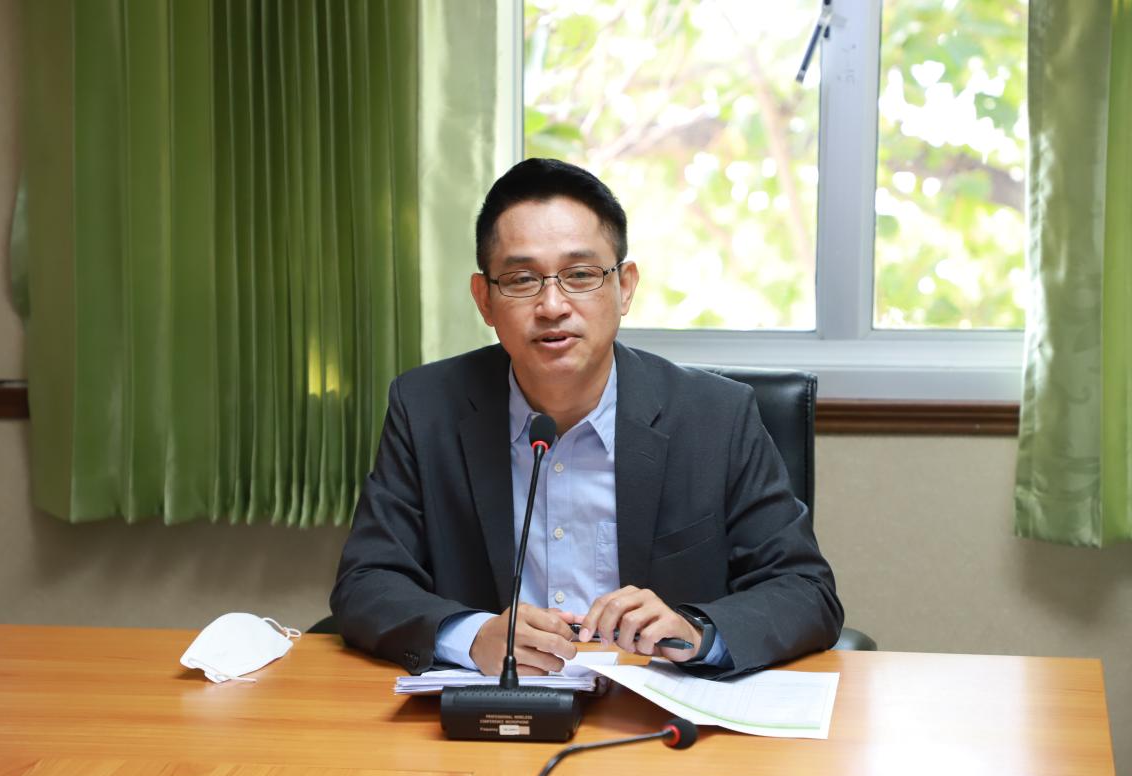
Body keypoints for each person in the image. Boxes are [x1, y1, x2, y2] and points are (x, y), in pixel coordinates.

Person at [330, 158, 842, 679]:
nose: (552, 305)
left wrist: (697, 632)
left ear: (625, 287)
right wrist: (472, 635)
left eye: (580, 275)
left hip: (652, 710)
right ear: (484, 300)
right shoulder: (427, 408)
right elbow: (367, 581)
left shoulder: (715, 417)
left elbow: (805, 590)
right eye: (522, 279)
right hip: (495, 705)